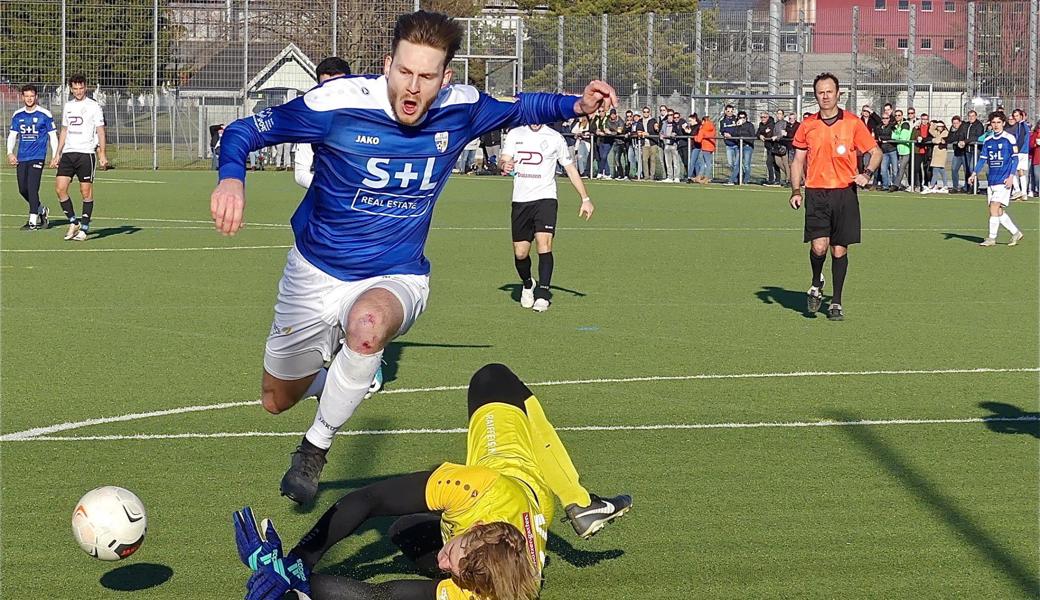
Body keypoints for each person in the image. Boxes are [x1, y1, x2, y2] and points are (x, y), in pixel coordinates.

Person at [209, 10, 617, 506]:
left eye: (426, 77)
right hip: (314, 273)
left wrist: (575, 103)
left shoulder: (461, 108)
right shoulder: (337, 103)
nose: (412, 87)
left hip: (397, 273)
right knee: (276, 400)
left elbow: (521, 107)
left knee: (368, 324)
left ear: (445, 79)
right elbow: (241, 132)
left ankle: (314, 448)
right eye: (404, 72)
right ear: (387, 65)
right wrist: (232, 176)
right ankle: (348, 376)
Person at [233, 363, 631, 600]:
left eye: (452, 570)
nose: (444, 560)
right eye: (452, 549)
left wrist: (291, 581)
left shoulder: (483, 593)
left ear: (473, 584)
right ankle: (577, 499)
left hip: (502, 499)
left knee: (404, 530)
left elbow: (380, 595)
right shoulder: (477, 488)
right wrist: (301, 560)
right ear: (474, 531)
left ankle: (580, 501)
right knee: (493, 379)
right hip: (513, 473)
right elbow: (368, 499)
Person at [789, 73, 881, 321]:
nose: (825, 96)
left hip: (844, 194)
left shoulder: (852, 123)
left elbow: (875, 152)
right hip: (816, 193)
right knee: (819, 246)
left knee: (839, 250)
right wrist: (796, 190)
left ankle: (836, 302)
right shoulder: (807, 125)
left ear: (839, 94)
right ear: (815, 95)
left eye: (830, 91)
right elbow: (797, 160)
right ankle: (816, 281)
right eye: (820, 92)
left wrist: (867, 173)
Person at [500, 124, 594, 312]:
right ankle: (528, 284)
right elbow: (503, 161)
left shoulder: (555, 137)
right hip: (520, 200)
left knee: (545, 244)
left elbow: (570, 168)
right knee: (520, 253)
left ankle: (543, 293)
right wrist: (504, 165)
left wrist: (585, 198)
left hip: (546, 199)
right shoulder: (515, 134)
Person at [51, 74, 108, 242]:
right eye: (75, 88)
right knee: (60, 189)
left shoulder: (94, 106)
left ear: (86, 87)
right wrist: (57, 154)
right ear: (71, 89)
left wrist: (102, 153)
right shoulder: (68, 106)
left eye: (81, 88)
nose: (78, 91)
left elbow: (100, 130)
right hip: (68, 153)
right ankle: (73, 222)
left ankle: (84, 228)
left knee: (85, 192)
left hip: (86, 154)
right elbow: (64, 130)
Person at [969, 112, 1023, 247]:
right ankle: (1016, 232)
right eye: (993, 122)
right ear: (990, 124)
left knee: (994, 207)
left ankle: (991, 238)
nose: (996, 125)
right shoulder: (988, 140)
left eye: (999, 122)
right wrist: (974, 173)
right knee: (997, 211)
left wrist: (1011, 176)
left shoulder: (1009, 138)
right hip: (992, 180)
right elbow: (983, 159)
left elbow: (1015, 159)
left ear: (1003, 123)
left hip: (1004, 180)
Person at [7, 84, 57, 230]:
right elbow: (12, 135)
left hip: (37, 156)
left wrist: (55, 155)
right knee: (23, 189)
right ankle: (41, 210)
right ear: (23, 97)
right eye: (26, 96)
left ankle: (32, 221)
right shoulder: (18, 115)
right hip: (22, 157)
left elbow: (53, 136)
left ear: (36, 96)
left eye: (32, 96)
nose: (29, 99)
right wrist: (10, 152)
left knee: (32, 188)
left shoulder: (45, 114)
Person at [1006, 109, 1031, 200]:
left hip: (1020, 152)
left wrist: (1016, 151)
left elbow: (1021, 140)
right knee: (1020, 171)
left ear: (1021, 116)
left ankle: (1017, 190)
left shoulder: (1022, 126)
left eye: (1017, 116)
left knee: (1011, 170)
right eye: (1014, 116)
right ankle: (1023, 193)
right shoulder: (1023, 125)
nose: (1015, 118)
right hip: (1023, 152)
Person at [726, 111, 754, 185]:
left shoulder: (749, 125)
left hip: (747, 146)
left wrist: (743, 138)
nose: (742, 119)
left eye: (743, 117)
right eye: (740, 117)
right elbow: (735, 136)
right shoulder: (737, 126)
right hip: (740, 146)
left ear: (746, 118)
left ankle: (746, 180)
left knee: (746, 165)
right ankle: (732, 180)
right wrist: (732, 134)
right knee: (737, 164)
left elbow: (752, 137)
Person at [960, 110, 985, 191]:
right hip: (967, 150)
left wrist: (965, 141)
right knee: (967, 169)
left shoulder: (979, 125)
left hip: (976, 149)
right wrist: (961, 141)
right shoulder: (965, 125)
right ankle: (969, 186)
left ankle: (975, 186)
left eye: (973, 116)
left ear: (976, 116)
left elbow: (977, 137)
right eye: (970, 116)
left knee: (972, 168)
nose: (971, 117)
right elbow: (961, 134)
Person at [924, 120, 949, 193]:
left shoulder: (945, 132)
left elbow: (938, 140)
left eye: (941, 127)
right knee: (942, 170)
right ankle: (945, 185)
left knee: (935, 170)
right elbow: (931, 131)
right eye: (938, 127)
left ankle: (931, 186)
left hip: (941, 154)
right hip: (936, 154)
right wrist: (934, 125)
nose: (939, 128)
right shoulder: (937, 132)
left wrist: (933, 140)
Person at [874, 113, 897, 190]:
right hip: (884, 151)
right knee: (883, 170)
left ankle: (895, 186)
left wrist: (883, 138)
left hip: (892, 150)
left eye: (886, 118)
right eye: (883, 118)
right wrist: (882, 139)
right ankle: (885, 185)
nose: (885, 120)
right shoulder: (878, 127)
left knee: (895, 170)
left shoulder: (892, 126)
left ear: (889, 119)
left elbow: (892, 137)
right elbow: (877, 137)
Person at [891, 109, 913, 191]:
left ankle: (896, 185)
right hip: (900, 151)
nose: (897, 117)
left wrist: (897, 136)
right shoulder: (896, 126)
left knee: (901, 168)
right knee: (906, 169)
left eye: (899, 115)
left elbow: (903, 137)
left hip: (906, 150)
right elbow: (893, 136)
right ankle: (912, 184)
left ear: (902, 116)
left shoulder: (905, 124)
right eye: (896, 115)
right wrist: (897, 136)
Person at [692, 115, 716, 183]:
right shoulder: (712, 127)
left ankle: (706, 178)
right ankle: (699, 176)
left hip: (705, 147)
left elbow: (699, 140)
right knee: (705, 163)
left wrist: (695, 137)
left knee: (706, 163)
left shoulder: (702, 128)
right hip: (711, 146)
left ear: (703, 121)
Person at [1030, 118, 1040, 198]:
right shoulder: (1035, 133)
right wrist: (1035, 145)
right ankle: (1036, 190)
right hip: (1036, 158)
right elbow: (1031, 144)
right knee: (1037, 175)